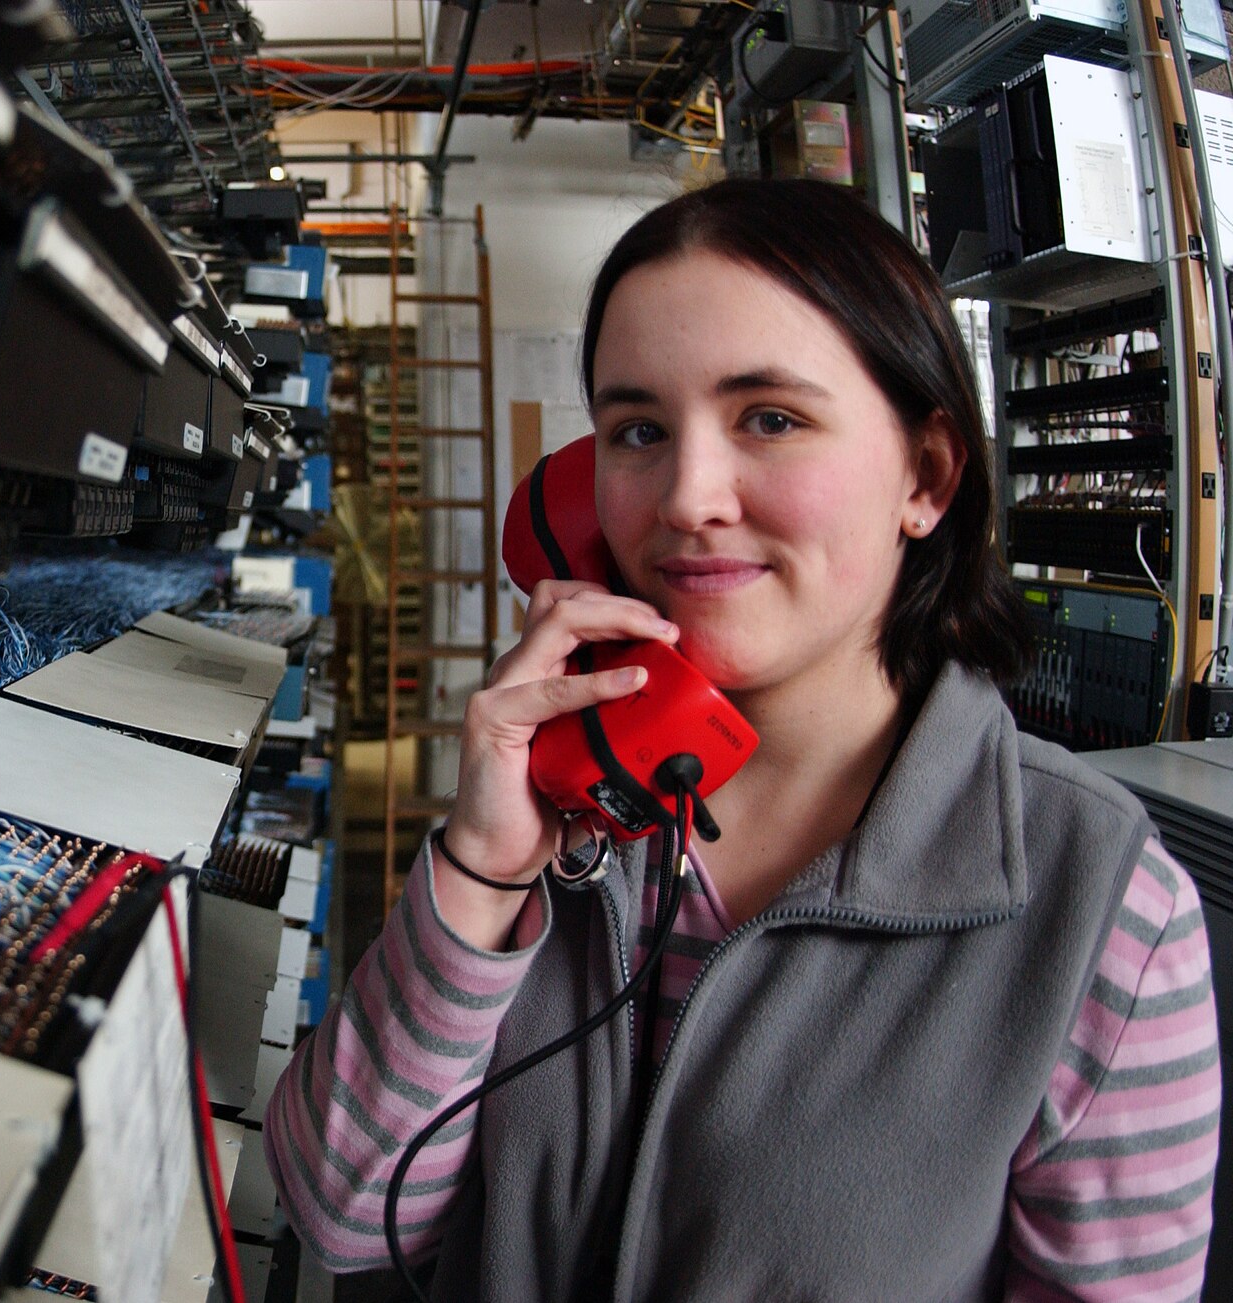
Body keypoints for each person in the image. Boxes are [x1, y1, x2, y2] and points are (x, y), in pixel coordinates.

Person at [264, 179, 1219, 1301]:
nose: (686, 495)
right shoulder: (558, 810)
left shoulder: (1101, 916)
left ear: (925, 475)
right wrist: (478, 873)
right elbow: (335, 1212)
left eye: (768, 417)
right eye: (636, 430)